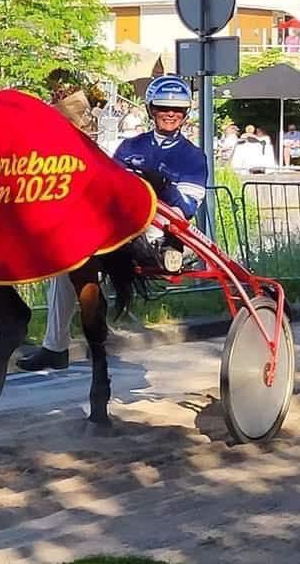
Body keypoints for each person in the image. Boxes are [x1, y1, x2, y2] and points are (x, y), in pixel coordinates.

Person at [19, 75, 207, 371]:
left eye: (178, 110)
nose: (170, 114)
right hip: (120, 226)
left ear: (186, 114)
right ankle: (55, 346)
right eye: (162, 107)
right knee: (70, 259)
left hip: (162, 232)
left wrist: (164, 186)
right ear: (150, 109)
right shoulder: (130, 146)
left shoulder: (193, 157)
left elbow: (185, 209)